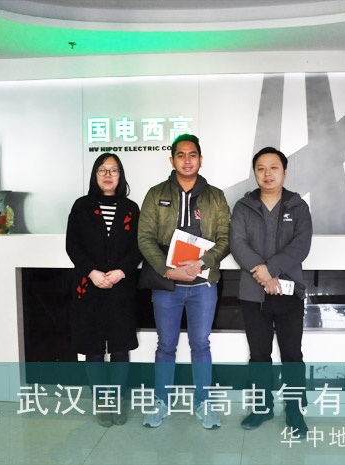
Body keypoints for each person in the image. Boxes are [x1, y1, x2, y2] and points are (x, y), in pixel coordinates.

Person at [138, 134, 230, 429]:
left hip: (203, 286)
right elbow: (144, 238)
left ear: (200, 160)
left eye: (192, 155)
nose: (187, 160)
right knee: (165, 345)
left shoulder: (216, 197)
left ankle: (203, 403)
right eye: (181, 155)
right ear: (172, 160)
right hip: (168, 287)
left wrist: (202, 262)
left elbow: (225, 239)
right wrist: (167, 270)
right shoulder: (156, 194)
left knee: (201, 345)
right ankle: (160, 402)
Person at [229, 147, 313, 435]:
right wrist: (261, 273)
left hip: (289, 292)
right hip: (253, 294)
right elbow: (237, 242)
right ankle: (261, 408)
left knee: (292, 354)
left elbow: (301, 245)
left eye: (274, 167)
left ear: (284, 172)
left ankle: (295, 410)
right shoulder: (243, 206)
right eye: (261, 168)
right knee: (259, 355)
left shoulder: (298, 206)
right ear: (255, 173)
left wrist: (270, 270)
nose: (267, 174)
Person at [66, 152, 142, 428]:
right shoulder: (81, 206)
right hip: (89, 287)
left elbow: (139, 246)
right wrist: (92, 272)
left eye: (114, 170)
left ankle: (118, 400)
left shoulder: (131, 208)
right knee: (93, 348)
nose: (108, 175)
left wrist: (122, 271)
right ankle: (102, 402)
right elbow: (72, 245)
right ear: (95, 175)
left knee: (120, 348)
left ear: (121, 176)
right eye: (103, 170)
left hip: (121, 288)